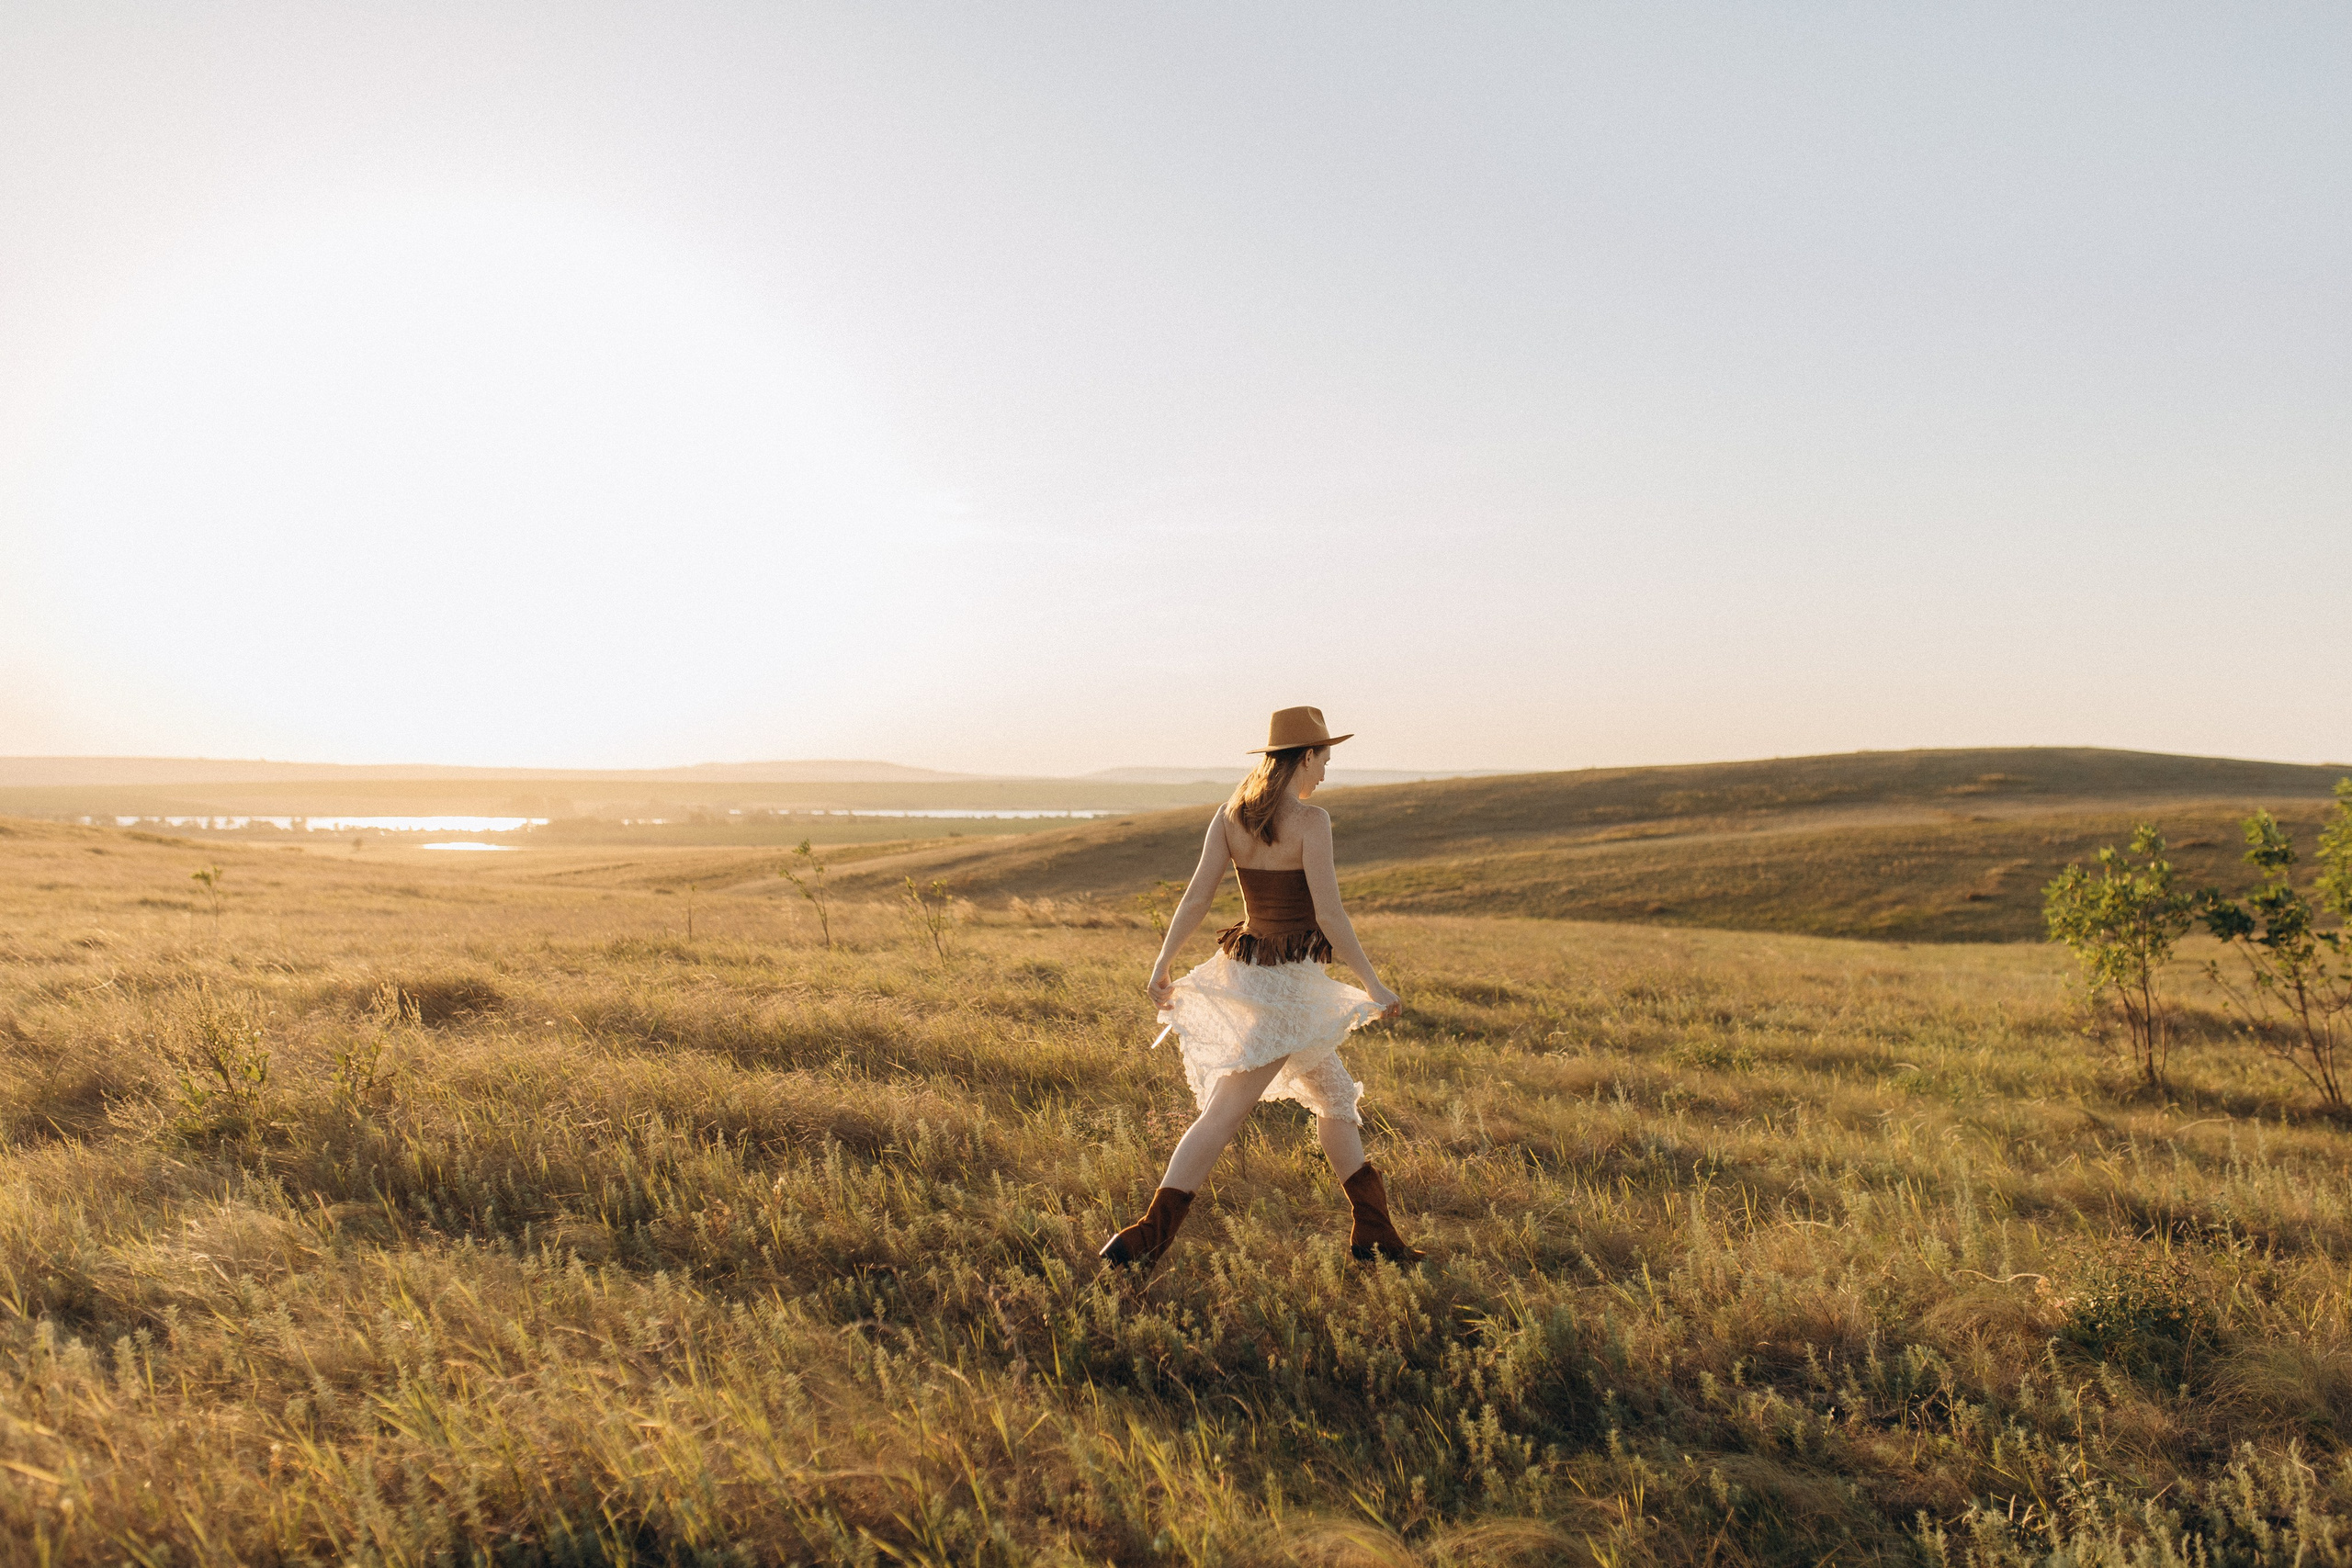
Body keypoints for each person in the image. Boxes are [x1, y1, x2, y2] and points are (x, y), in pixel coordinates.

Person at [1099, 705, 1425, 1272]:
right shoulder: (1312, 822)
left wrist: (1163, 963)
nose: (1326, 771)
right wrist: (1373, 982)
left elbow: (1197, 898)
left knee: (1336, 1098)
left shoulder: (1231, 817)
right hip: (1288, 990)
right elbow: (1330, 914)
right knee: (1224, 1115)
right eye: (1324, 758)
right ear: (1304, 757)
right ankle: (1143, 1240)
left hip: (1250, 971)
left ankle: (1377, 1240)